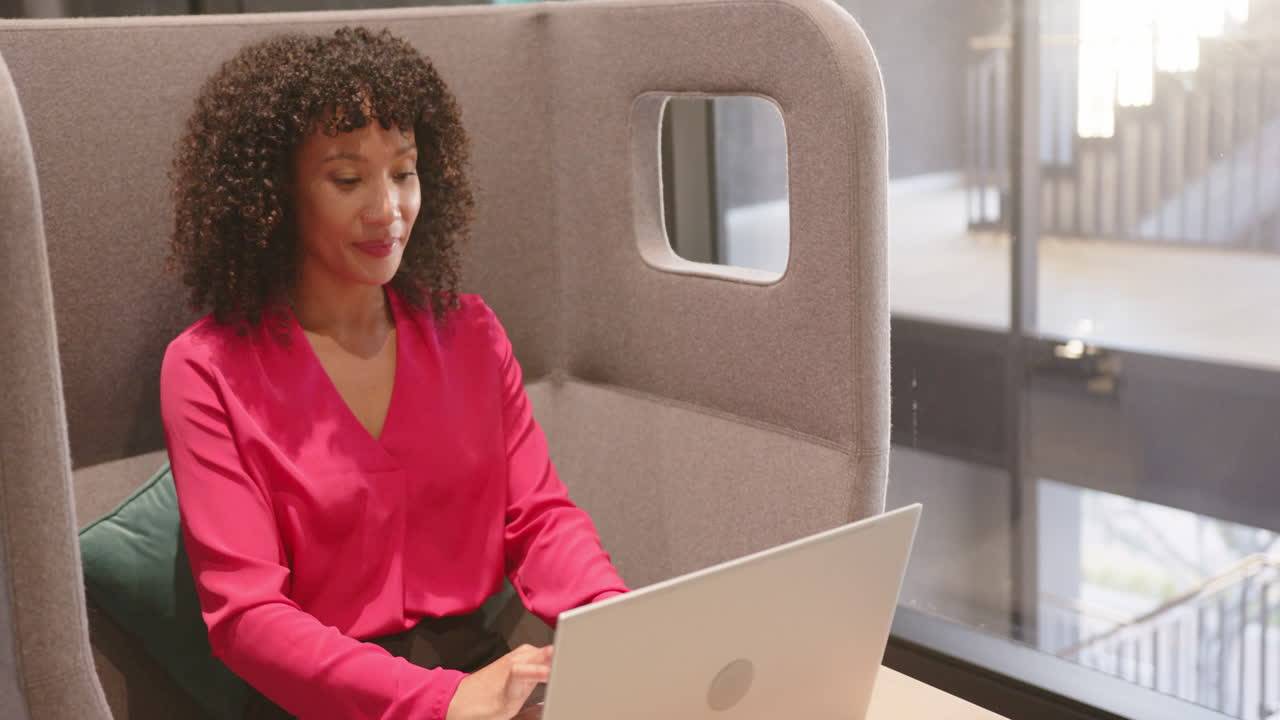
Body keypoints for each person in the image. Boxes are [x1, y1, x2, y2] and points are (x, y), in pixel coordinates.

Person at [160, 26, 628, 720]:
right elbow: (247, 617)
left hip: (484, 674)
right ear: (276, 194)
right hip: (323, 702)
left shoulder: (469, 333)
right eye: (347, 178)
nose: (388, 210)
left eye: (403, 171)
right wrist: (441, 700)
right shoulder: (207, 370)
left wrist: (613, 619)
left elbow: (540, 522)